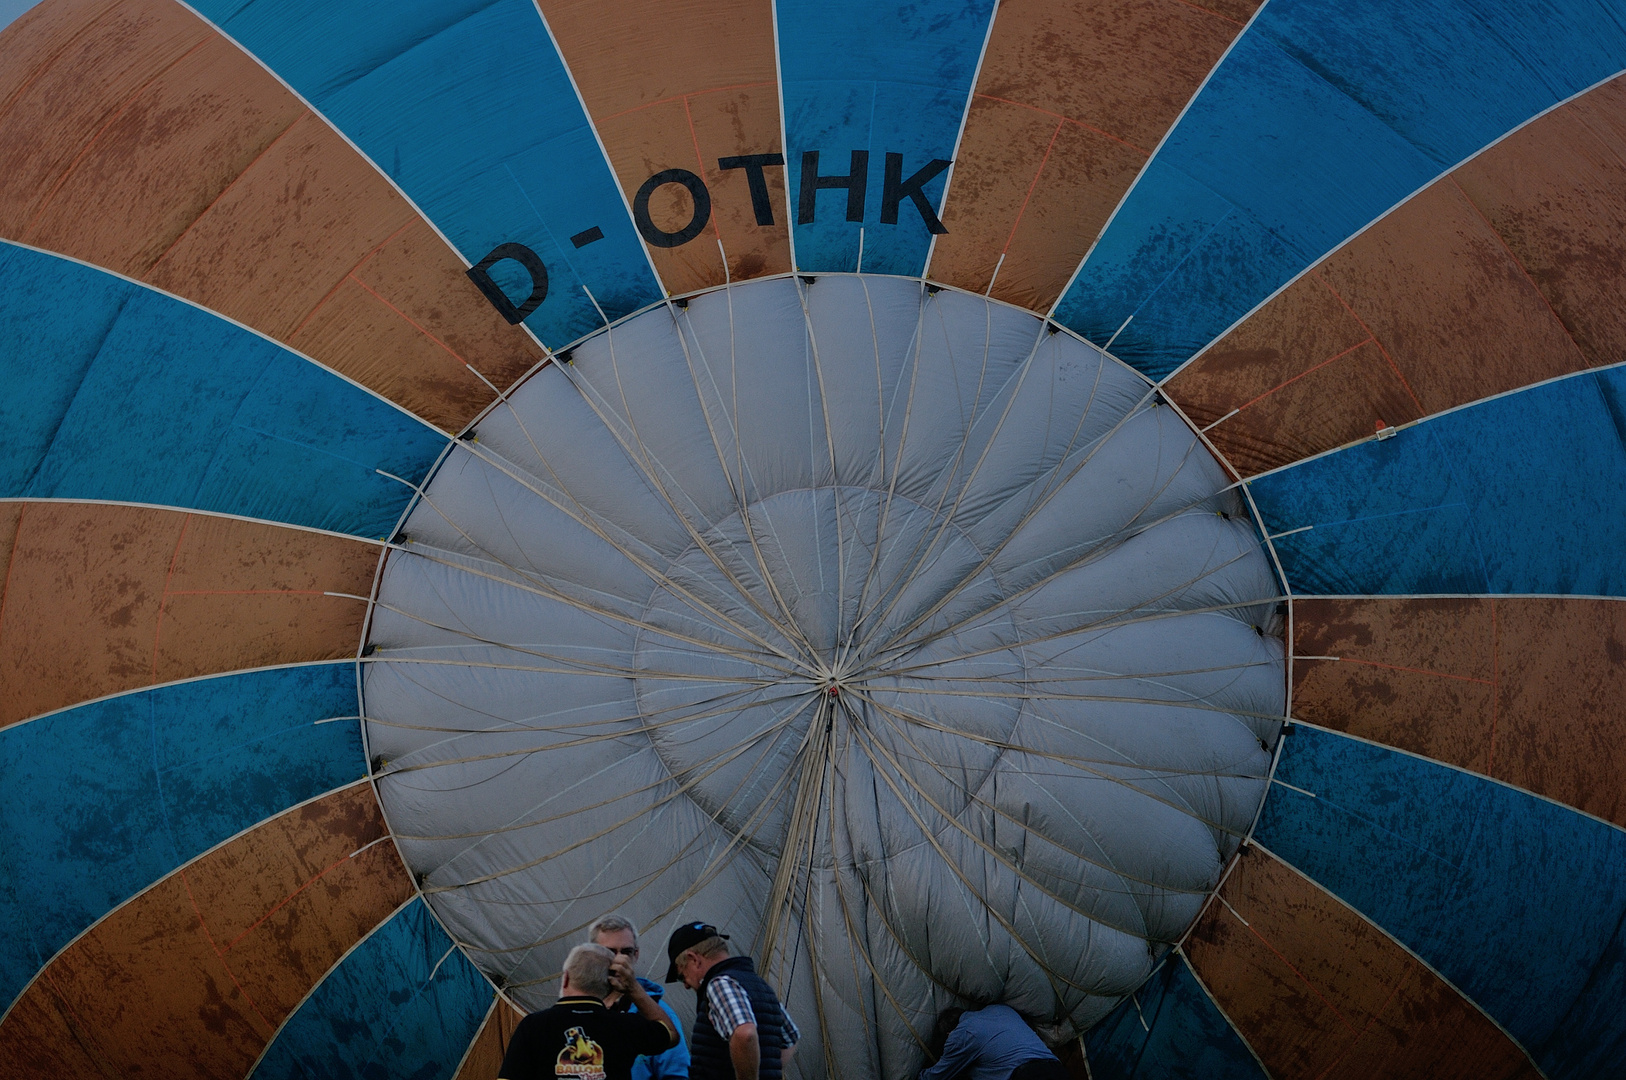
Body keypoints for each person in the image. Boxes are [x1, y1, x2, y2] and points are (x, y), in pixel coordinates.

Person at [500, 942, 679, 1080]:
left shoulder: (533, 1026)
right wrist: (634, 988)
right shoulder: (626, 1026)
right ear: (610, 987)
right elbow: (671, 1034)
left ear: (566, 979)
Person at [663, 921, 798, 1080]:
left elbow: (745, 1033)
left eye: (681, 976)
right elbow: (791, 1037)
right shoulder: (759, 985)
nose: (685, 985)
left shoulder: (719, 985)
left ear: (694, 959)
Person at [591, 914, 690, 1080]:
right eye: (609, 952)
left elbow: (676, 1075)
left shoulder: (660, 1016)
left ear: (636, 955)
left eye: (627, 952)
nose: (619, 959)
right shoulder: (580, 1007)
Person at [917, 1004, 1067, 1080]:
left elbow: (939, 1075)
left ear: (949, 1033)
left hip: (1026, 1074)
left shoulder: (962, 1033)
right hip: (1056, 1067)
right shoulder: (1000, 1009)